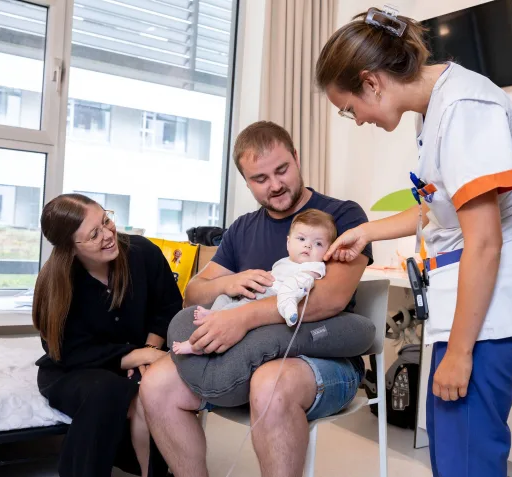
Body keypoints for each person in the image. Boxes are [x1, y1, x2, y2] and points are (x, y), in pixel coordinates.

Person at [315, 7, 512, 477]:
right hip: (474, 309)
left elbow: (485, 242)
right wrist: (367, 230)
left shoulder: (466, 107)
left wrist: (461, 353)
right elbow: (440, 208)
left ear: (371, 82)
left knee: (465, 458)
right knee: (453, 451)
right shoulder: (434, 111)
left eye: (348, 108)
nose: (357, 119)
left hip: (495, 311)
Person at [140, 121, 374, 477]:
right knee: (156, 384)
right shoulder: (242, 229)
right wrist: (230, 282)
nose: (276, 185)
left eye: (282, 170)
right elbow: (193, 292)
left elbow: (331, 299)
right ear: (246, 182)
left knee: (270, 383)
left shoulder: (341, 216)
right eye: (260, 179)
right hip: (241, 360)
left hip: (326, 358)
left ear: (296, 158)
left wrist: (245, 316)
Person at [33, 194, 183, 477]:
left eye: (106, 220)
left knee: (152, 390)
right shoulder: (57, 283)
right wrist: (136, 356)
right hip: (75, 369)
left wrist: (151, 350)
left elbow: (168, 307)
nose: (108, 234)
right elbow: (67, 351)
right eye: (94, 234)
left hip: (143, 358)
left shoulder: (142, 254)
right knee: (106, 390)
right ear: (70, 248)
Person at [172, 208, 336, 356]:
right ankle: (212, 317)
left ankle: (197, 346)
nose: (308, 245)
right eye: (301, 239)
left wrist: (288, 299)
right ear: (288, 242)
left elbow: (300, 283)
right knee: (224, 299)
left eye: (318, 243)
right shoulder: (284, 261)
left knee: (232, 310)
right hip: (260, 291)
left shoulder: (314, 267)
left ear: (327, 251)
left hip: (272, 299)